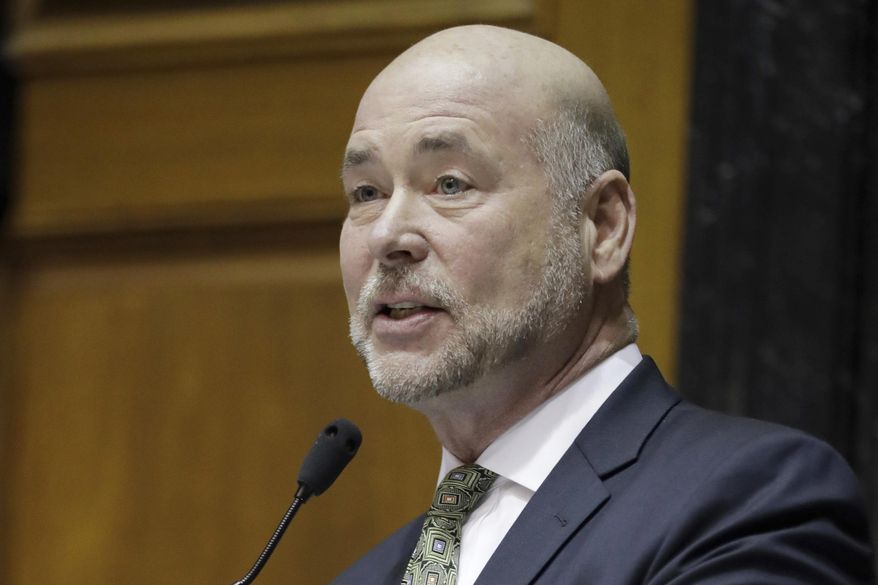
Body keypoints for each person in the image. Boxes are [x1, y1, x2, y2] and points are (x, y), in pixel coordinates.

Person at [332, 24, 875, 585]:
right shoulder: (367, 577)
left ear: (603, 226)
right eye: (366, 193)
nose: (387, 236)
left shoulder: (749, 503)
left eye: (450, 184)